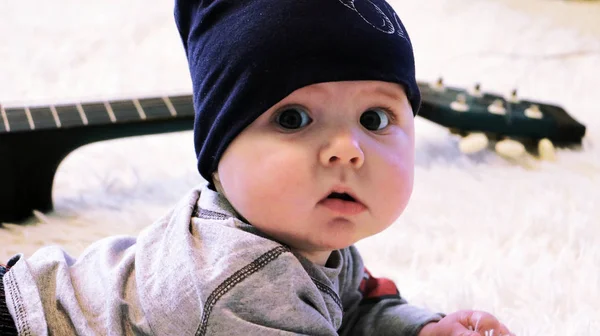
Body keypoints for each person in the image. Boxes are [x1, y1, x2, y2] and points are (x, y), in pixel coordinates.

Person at [1, 0, 515, 335]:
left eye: (374, 118)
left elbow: (350, 307)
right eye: (293, 118)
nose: (346, 149)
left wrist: (421, 329)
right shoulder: (235, 280)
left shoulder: (307, 236)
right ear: (219, 161)